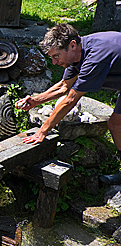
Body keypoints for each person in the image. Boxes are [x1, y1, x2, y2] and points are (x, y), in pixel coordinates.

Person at [15, 23, 121, 184]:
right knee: (115, 124)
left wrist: (43, 131)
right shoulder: (78, 54)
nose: (54, 62)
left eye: (56, 56)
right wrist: (35, 101)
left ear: (71, 45)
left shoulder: (94, 59)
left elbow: (71, 99)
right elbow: (64, 86)